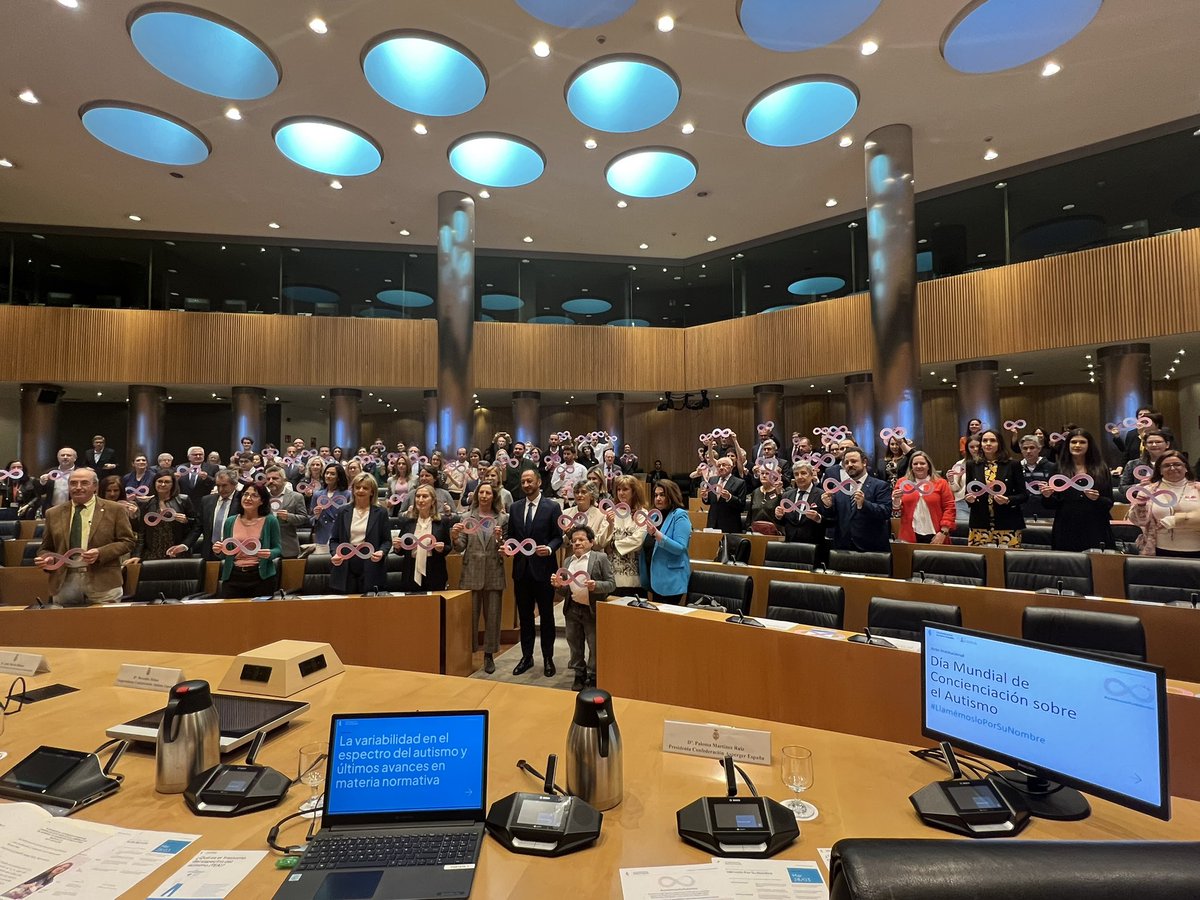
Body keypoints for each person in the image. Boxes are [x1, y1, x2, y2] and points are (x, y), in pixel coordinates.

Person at [35, 468, 135, 605]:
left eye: (84, 483)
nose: (78, 487)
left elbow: (127, 541)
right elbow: (46, 548)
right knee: (66, 625)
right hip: (64, 582)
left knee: (105, 625)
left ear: (95, 486)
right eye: (73, 483)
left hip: (103, 582)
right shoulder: (53, 513)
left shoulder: (115, 509)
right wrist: (48, 559)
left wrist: (100, 553)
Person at [507, 468, 564, 676]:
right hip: (521, 571)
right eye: (523, 482)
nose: (526, 485)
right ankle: (527, 657)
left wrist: (549, 548)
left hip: (544, 570)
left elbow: (558, 537)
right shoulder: (514, 508)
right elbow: (510, 537)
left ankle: (548, 658)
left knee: (547, 616)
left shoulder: (552, 507)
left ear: (539, 482)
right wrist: (507, 547)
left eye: (530, 481)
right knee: (525, 616)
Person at [452, 481, 508, 674]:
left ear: (494, 496)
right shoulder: (467, 517)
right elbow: (460, 546)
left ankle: (489, 655)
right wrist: (454, 537)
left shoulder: (502, 518)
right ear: (477, 495)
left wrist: (501, 539)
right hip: (472, 571)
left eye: (488, 493)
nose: (484, 496)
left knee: (493, 617)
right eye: (481, 492)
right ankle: (469, 652)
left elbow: (506, 549)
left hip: (494, 571)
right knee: (470, 618)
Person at [552, 524, 616, 691]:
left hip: (591, 609)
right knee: (574, 643)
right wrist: (558, 585)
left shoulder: (599, 558)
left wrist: (596, 586)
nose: (577, 543)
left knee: (594, 644)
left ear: (591, 542)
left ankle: (594, 674)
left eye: (581, 540)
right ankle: (579, 673)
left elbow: (611, 584)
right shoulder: (568, 561)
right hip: (572, 609)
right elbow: (565, 590)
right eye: (574, 541)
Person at [1040, 428, 1114, 552]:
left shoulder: (1101, 468)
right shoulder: (1058, 468)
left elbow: (1109, 503)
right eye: (1073, 442)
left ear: (1089, 445)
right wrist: (1047, 496)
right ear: (1068, 445)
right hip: (1066, 526)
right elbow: (1049, 505)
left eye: (1082, 442)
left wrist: (1097, 499)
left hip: (1095, 526)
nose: (1077, 445)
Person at [1127, 450, 1200, 558]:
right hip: (1159, 550)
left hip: (1196, 548)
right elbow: (1136, 521)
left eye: (1177, 464)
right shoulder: (1148, 490)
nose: (1172, 468)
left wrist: (1177, 520)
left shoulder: (1198, 489)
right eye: (1166, 466)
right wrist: (1141, 505)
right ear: (1160, 470)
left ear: (1186, 468)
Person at [215, 482, 281, 598]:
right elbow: (225, 553)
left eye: (254, 496)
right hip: (233, 575)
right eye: (245, 494)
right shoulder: (230, 521)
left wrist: (270, 553)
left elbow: (278, 548)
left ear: (262, 501)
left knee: (260, 614)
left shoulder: (270, 521)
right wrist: (218, 550)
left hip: (261, 576)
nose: (248, 498)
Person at [820, 446, 892, 552]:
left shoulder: (880, 485)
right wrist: (828, 506)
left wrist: (864, 504)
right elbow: (832, 519)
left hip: (871, 548)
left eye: (853, 461)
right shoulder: (840, 488)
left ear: (864, 462)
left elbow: (885, 512)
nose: (849, 465)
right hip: (843, 548)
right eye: (846, 462)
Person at [964, 429, 1028, 547]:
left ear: (999, 444)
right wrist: (969, 499)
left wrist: (1008, 500)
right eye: (985, 441)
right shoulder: (972, 465)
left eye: (992, 440)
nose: (988, 443)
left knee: (1007, 562)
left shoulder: (1013, 465)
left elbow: (1023, 495)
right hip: (980, 523)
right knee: (980, 562)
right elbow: (968, 492)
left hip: (1007, 523)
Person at [329, 473, 390, 594]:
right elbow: (334, 540)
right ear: (353, 490)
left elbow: (387, 541)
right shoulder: (343, 511)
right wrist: (335, 553)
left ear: (372, 492)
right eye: (357, 487)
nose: (361, 490)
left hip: (371, 563)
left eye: (365, 488)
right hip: (345, 563)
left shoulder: (381, 512)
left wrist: (382, 552)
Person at [129, 469, 198, 563]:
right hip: (152, 553)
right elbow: (141, 532)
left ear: (173, 484)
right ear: (154, 483)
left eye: (167, 482)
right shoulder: (146, 504)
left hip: (177, 552)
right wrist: (137, 555)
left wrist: (186, 521)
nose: (162, 484)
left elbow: (196, 526)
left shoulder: (183, 500)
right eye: (160, 481)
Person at [639, 479, 691, 604]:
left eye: (662, 495)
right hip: (653, 578)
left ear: (671, 496)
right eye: (656, 495)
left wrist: (657, 534)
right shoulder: (655, 516)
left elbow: (680, 548)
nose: (658, 498)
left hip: (670, 580)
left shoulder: (679, 515)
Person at [392, 484, 452, 592]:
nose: (420, 500)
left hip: (434, 570)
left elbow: (448, 547)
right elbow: (401, 550)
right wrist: (397, 547)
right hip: (411, 570)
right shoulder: (408, 522)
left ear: (433, 501)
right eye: (418, 496)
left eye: (425, 496)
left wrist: (442, 548)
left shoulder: (442, 522)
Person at [892, 451, 956, 544]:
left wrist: (943, 532)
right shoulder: (902, 483)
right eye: (915, 464)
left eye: (922, 463)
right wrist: (896, 501)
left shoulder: (941, 483)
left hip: (937, 534)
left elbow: (949, 508)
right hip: (909, 535)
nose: (919, 466)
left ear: (928, 466)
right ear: (911, 467)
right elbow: (896, 513)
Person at [604, 475, 648, 597]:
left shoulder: (642, 513)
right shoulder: (610, 512)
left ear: (634, 492)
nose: (621, 493)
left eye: (625, 489)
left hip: (634, 575)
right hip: (612, 574)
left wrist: (614, 544)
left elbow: (638, 540)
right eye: (618, 490)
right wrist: (609, 524)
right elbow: (602, 540)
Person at [776, 461, 825, 547]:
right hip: (790, 544)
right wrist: (779, 516)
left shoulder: (821, 495)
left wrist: (818, 518)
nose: (800, 477)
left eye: (803, 473)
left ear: (811, 475)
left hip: (814, 545)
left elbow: (831, 521)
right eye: (796, 474)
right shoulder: (787, 495)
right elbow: (784, 522)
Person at [195, 468, 241, 560]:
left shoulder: (242, 501)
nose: (221, 489)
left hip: (234, 551)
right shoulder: (207, 500)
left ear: (234, 485)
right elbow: (198, 527)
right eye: (218, 485)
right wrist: (185, 544)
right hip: (209, 552)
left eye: (224, 485)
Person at [264, 465, 310, 558]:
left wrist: (288, 517)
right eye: (268, 479)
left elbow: (304, 519)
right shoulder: (262, 498)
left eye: (275, 478)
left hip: (288, 547)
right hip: (266, 547)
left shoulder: (296, 497)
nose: (271, 481)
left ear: (284, 480)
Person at [310, 463, 350, 553]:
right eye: (327, 473)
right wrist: (316, 516)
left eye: (332, 474)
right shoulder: (317, 495)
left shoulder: (347, 494)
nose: (328, 476)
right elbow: (310, 519)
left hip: (340, 536)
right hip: (323, 536)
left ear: (339, 477)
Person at [701, 456, 746, 533]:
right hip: (712, 523)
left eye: (724, 465)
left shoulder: (739, 482)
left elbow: (741, 505)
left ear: (731, 467)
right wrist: (705, 497)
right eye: (718, 466)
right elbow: (709, 502)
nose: (721, 468)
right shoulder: (712, 480)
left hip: (730, 525)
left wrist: (729, 497)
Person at [1017, 434, 1057, 520]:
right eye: (1025, 448)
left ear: (1039, 449)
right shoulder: (1016, 468)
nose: (1028, 451)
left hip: (1048, 515)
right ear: (1021, 450)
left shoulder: (1052, 467)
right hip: (1023, 515)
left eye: (1032, 448)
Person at [565, 481, 610, 548]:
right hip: (571, 557)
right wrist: (568, 537)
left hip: (593, 556)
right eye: (577, 492)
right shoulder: (565, 514)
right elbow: (561, 543)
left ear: (592, 496)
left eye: (583, 492)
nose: (579, 495)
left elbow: (601, 544)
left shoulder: (601, 516)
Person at [37, 446, 79, 511]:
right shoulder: (50, 472)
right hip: (52, 509)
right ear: (58, 458)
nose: (65, 457)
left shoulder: (80, 472)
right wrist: (42, 483)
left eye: (68, 455)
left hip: (74, 508)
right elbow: (40, 493)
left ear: (75, 458)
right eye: (62, 455)